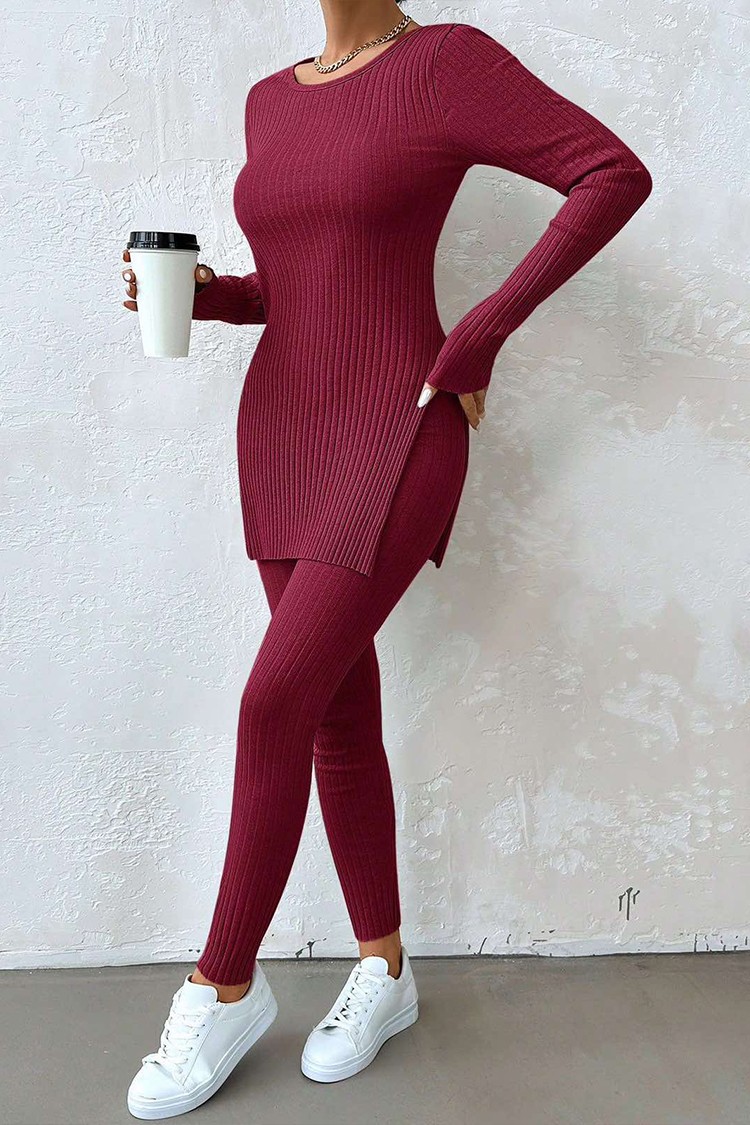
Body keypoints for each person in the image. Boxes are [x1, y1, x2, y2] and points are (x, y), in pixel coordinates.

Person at [120, 1, 652, 1117]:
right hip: (284, 433)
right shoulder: (271, 100)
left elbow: (611, 173)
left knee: (271, 704)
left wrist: (482, 331)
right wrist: (214, 299)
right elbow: (295, 288)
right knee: (329, 714)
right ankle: (386, 969)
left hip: (402, 421)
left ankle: (222, 985)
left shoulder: (446, 62)